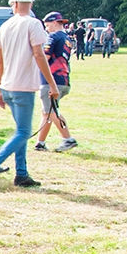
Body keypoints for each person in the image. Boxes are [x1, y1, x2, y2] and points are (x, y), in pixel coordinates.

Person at [0, 0, 56, 188]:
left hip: (8, 85)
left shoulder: (5, 26)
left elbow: (0, 61)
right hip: (24, 86)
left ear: (14, 4)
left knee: (20, 130)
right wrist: (51, 84)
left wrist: (1, 87)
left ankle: (21, 173)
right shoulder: (33, 24)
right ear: (30, 4)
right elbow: (39, 55)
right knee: (23, 131)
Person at [33, 12, 76, 152]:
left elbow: (44, 56)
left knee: (52, 112)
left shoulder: (53, 37)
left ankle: (68, 139)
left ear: (56, 22)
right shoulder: (67, 38)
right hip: (63, 79)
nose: (46, 28)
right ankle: (40, 142)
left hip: (51, 80)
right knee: (47, 112)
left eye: (48, 24)